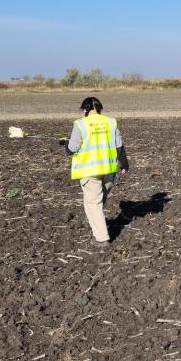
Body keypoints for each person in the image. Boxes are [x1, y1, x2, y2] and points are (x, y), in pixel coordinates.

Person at [64, 97, 129, 248]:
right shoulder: (111, 122)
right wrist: (124, 164)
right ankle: (99, 227)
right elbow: (119, 146)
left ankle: (101, 238)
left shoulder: (80, 124)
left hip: (89, 171)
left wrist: (66, 143)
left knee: (93, 204)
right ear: (99, 109)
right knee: (98, 201)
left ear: (85, 110)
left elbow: (71, 149)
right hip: (108, 170)